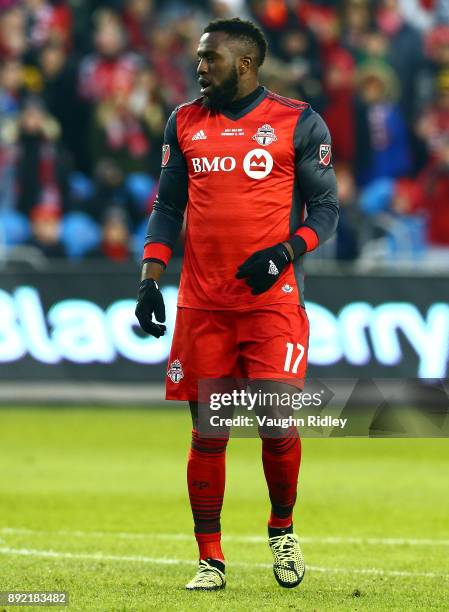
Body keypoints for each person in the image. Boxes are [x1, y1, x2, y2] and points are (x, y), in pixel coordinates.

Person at [135, 17, 339, 591]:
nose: (199, 67)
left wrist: (285, 253)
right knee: (208, 431)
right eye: (199, 59)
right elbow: (167, 206)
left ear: (245, 64)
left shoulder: (297, 122)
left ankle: (282, 531)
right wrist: (150, 278)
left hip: (271, 303)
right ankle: (211, 558)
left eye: (209, 59)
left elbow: (325, 209)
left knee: (276, 422)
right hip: (203, 304)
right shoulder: (184, 122)